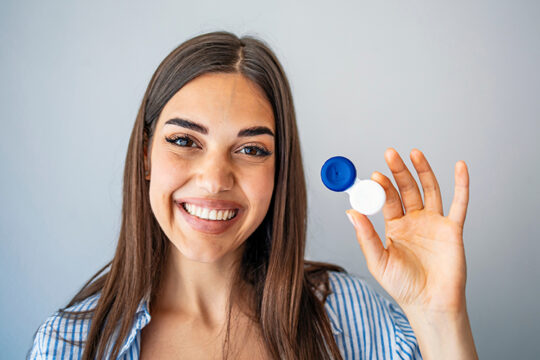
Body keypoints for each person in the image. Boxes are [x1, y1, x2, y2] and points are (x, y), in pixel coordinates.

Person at [27, 31, 478, 359]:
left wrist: (439, 315)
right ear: (145, 156)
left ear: (278, 170)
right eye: (185, 141)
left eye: (250, 149)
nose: (214, 179)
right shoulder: (67, 345)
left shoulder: (349, 314)